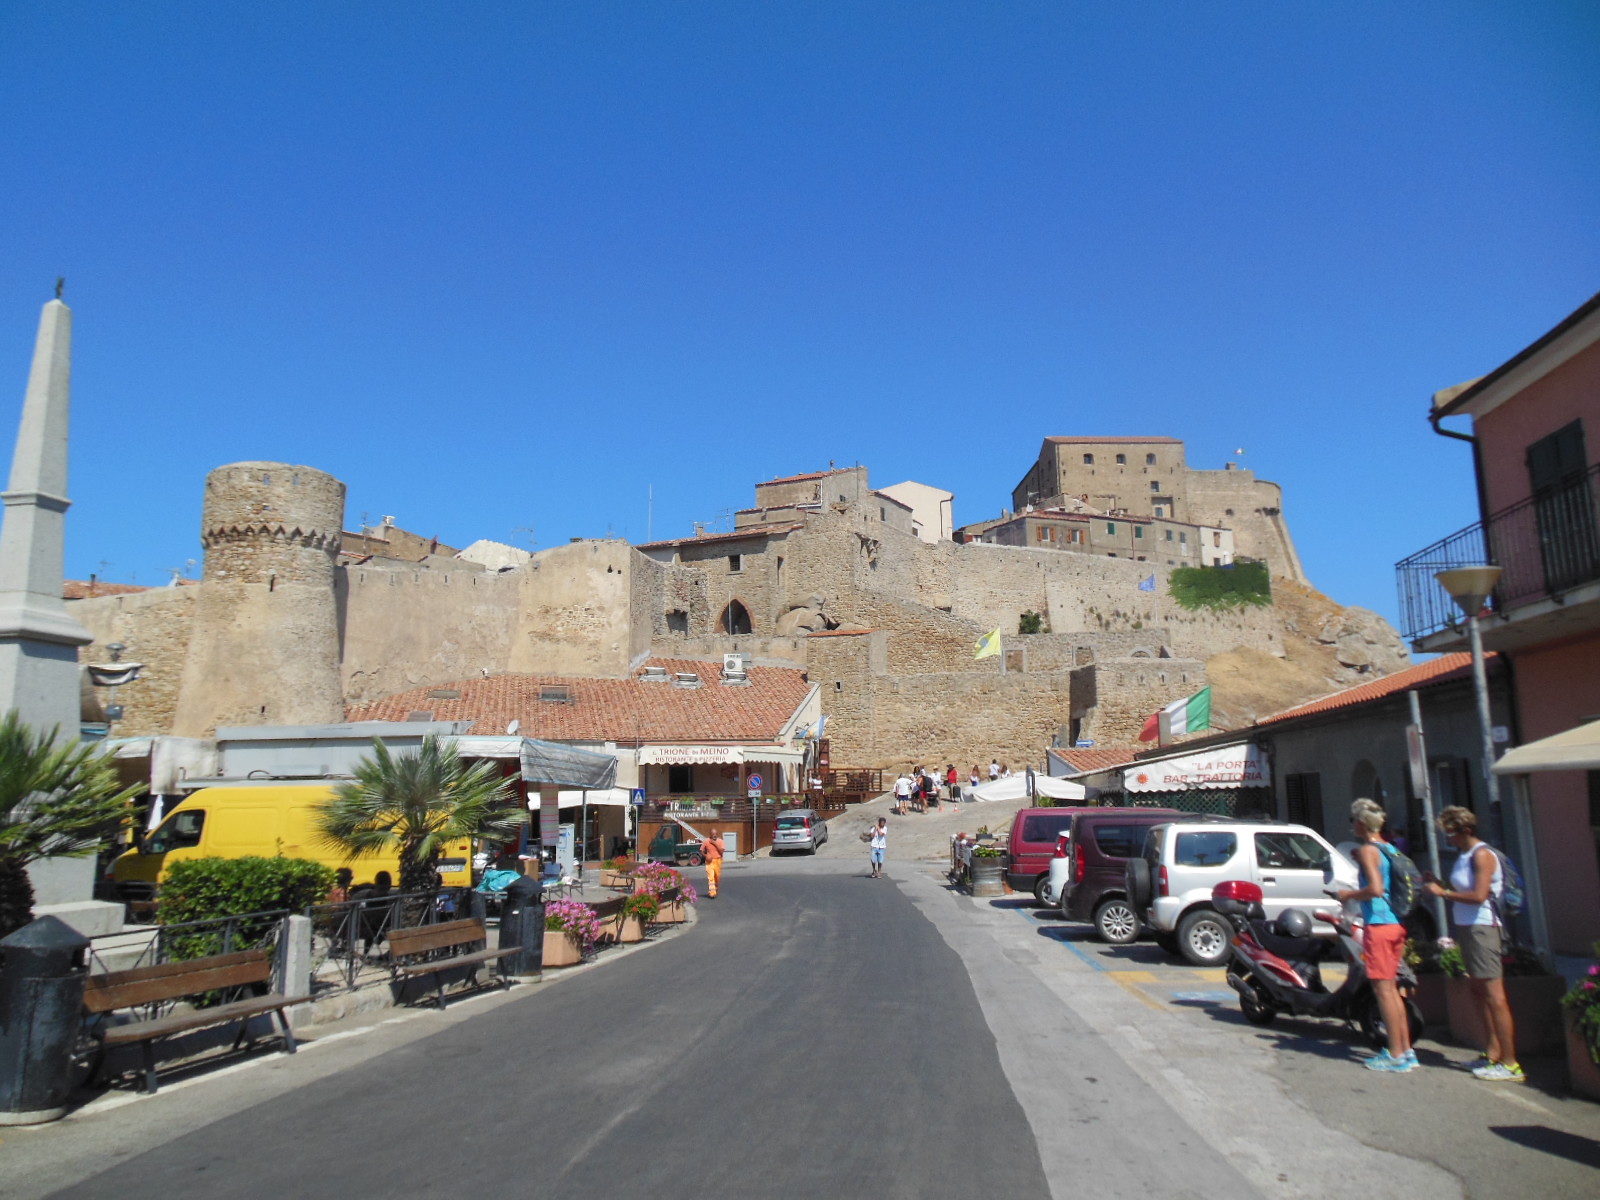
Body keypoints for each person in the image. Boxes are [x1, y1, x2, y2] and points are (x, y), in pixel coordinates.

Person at [1424, 806, 1522, 1081]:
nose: (1449, 839)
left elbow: (1479, 895)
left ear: (1466, 830)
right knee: (1478, 991)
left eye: (1451, 833)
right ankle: (1492, 1051)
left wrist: (1442, 892)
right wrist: (1439, 883)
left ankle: (1510, 1061)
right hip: (1468, 926)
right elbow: (1464, 890)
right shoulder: (1465, 855)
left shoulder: (1482, 855)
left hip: (1483, 927)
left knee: (1495, 995)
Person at [1337, 799, 1414, 1072]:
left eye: (1352, 820)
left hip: (1379, 925)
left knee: (1383, 991)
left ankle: (1394, 1054)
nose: (1351, 825)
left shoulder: (1369, 850)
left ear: (1361, 823)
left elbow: (1376, 888)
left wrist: (1348, 895)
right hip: (1395, 924)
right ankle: (1405, 1050)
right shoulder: (1388, 847)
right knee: (1393, 990)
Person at [702, 829, 726, 898]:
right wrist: (706, 856)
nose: (714, 835)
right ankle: (712, 893)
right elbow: (702, 850)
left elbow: (721, 852)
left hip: (718, 860)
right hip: (709, 862)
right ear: (710, 834)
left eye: (715, 834)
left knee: (717, 877)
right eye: (713, 834)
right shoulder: (706, 841)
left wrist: (714, 843)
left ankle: (715, 889)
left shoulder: (721, 841)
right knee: (711, 877)